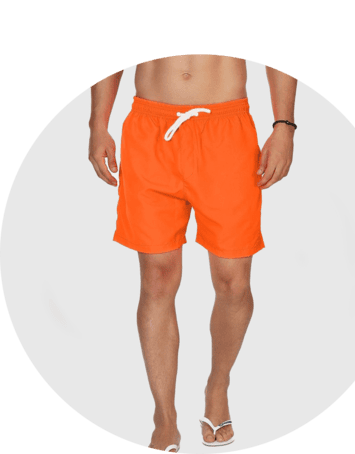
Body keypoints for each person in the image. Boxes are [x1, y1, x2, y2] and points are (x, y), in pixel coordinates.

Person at [89, 54, 297, 452]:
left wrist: (284, 126)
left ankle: (218, 385)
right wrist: (98, 124)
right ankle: (164, 417)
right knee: (157, 278)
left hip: (226, 127)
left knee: (233, 281)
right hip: (150, 127)